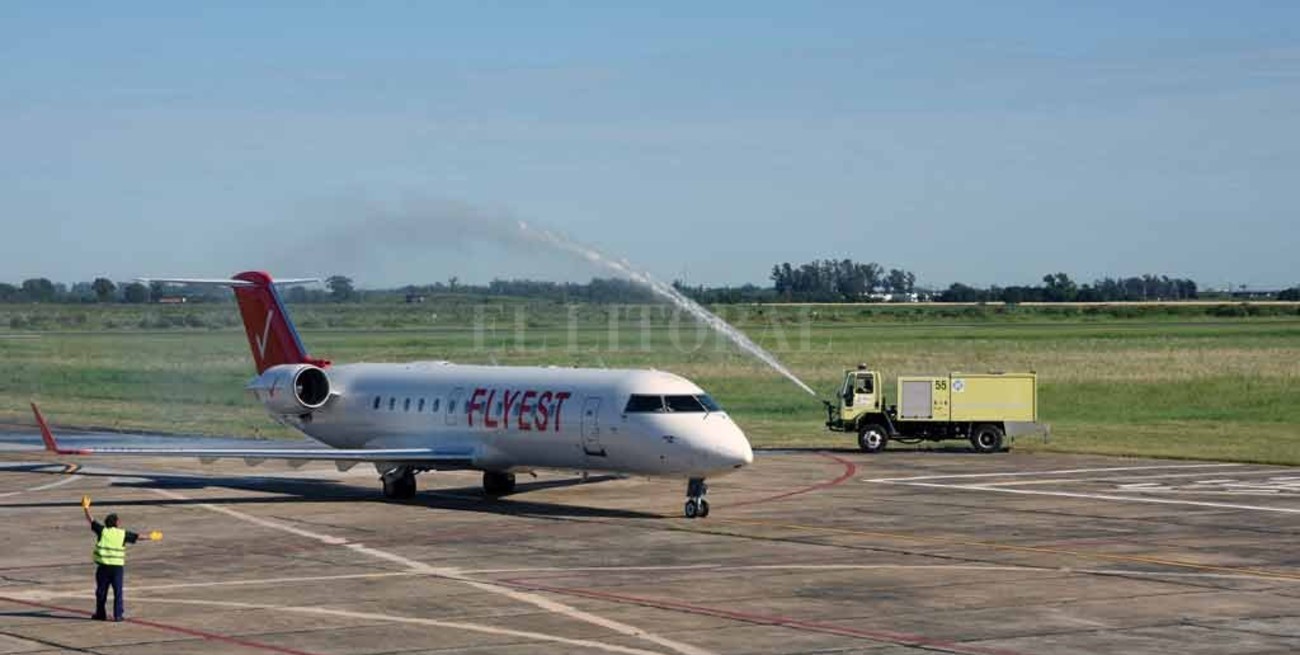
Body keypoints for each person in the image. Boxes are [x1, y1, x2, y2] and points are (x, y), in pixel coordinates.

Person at [82, 496, 158, 622]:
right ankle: (118, 615)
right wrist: (151, 536)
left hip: (103, 567)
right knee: (118, 592)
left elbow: (91, 520)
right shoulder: (122, 534)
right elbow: (138, 537)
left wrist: (85, 508)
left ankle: (100, 614)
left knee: (101, 592)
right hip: (117, 568)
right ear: (116, 523)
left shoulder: (103, 531)